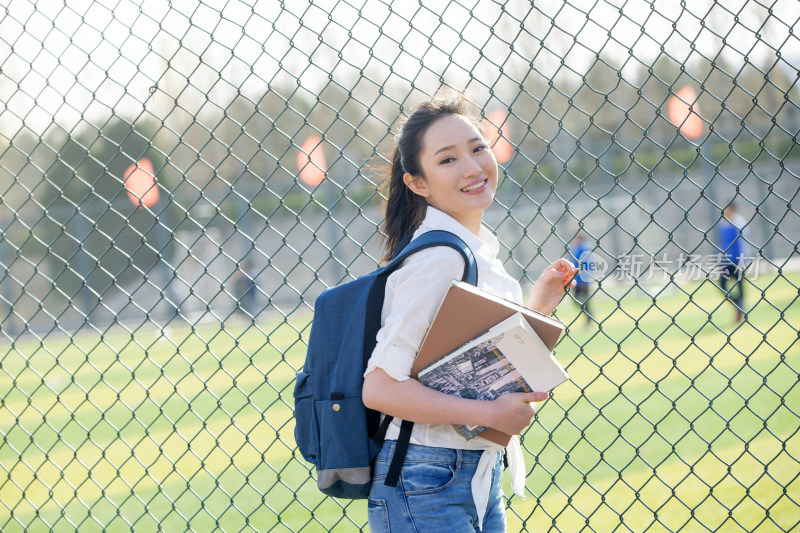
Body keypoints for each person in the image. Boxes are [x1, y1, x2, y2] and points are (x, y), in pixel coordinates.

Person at [362, 93, 578, 532]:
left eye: (478, 148)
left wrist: (536, 308)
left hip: (464, 470)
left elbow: (471, 359)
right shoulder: (438, 259)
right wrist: (491, 415)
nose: (473, 167)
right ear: (417, 183)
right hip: (426, 476)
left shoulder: (471, 249)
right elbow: (380, 388)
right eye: (447, 160)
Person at [717, 201, 749, 322]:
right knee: (722, 285)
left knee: (740, 287)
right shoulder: (722, 223)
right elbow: (723, 243)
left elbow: (742, 243)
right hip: (726, 261)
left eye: (726, 208)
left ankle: (740, 310)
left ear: (732, 209)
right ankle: (738, 306)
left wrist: (742, 260)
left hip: (737, 261)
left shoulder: (739, 223)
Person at [569, 233, 592, 325]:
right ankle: (588, 315)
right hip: (576, 279)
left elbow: (586, 265)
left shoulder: (583, 248)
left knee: (582, 299)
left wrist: (584, 280)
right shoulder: (577, 248)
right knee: (577, 300)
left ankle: (589, 316)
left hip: (581, 280)